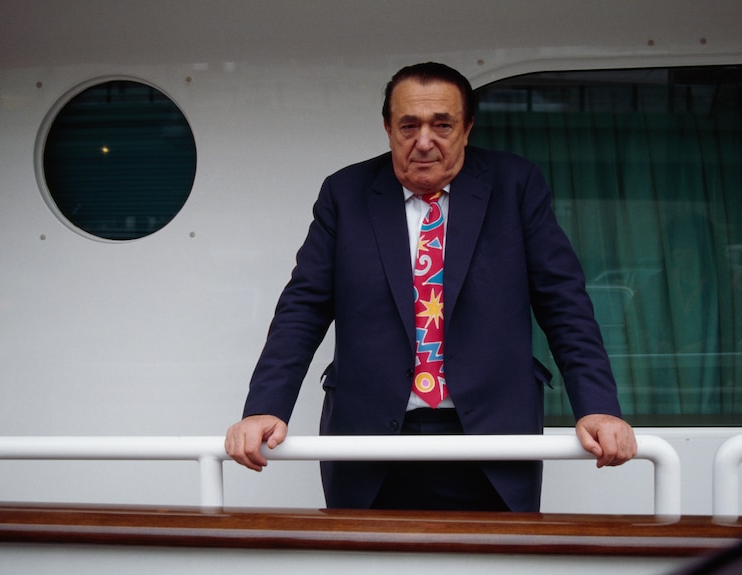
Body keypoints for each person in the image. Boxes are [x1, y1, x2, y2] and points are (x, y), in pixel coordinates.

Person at [226, 62, 636, 512]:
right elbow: (302, 309)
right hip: (369, 439)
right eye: (409, 125)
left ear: (467, 128)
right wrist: (265, 406)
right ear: (388, 128)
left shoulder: (516, 185)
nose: (424, 141)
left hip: (493, 435)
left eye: (442, 124)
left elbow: (565, 305)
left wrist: (597, 406)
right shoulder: (345, 193)